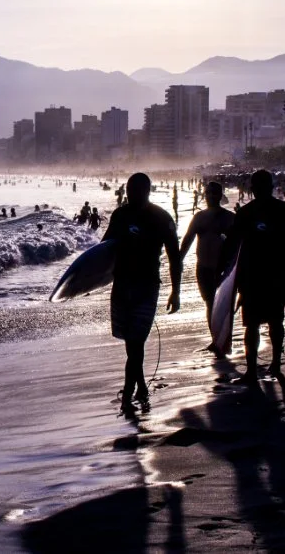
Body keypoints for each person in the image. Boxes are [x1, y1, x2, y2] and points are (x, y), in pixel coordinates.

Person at [102, 173, 181, 412]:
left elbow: (174, 257)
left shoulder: (161, 218)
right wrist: (87, 281)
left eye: (136, 190)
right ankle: (141, 386)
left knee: (137, 340)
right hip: (122, 286)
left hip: (147, 286)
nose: (131, 194)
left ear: (147, 190)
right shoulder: (120, 215)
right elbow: (105, 249)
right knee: (131, 342)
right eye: (128, 189)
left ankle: (128, 393)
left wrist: (175, 292)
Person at [220, 169, 285, 382]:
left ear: (252, 189)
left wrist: (223, 273)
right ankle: (276, 364)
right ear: (271, 187)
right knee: (275, 321)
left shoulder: (246, 213)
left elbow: (231, 245)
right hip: (277, 275)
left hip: (251, 276)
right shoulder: (282, 210)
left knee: (252, 325)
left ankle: (252, 370)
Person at [179, 182, 235, 339]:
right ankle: (215, 339)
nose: (210, 196)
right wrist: (178, 262)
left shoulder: (230, 218)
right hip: (203, 268)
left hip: (225, 270)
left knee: (224, 306)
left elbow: (239, 245)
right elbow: (187, 241)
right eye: (208, 193)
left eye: (214, 193)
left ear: (220, 195)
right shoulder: (199, 218)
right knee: (209, 303)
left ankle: (224, 339)